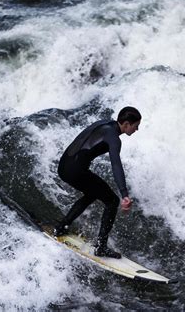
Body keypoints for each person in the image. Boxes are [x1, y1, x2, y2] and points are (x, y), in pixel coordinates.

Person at [54, 106, 142, 258]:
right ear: (126, 124)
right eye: (136, 126)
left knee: (92, 193)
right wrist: (124, 194)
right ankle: (101, 247)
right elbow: (116, 164)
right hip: (75, 171)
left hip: (64, 165)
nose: (137, 129)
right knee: (112, 201)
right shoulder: (114, 138)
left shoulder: (104, 123)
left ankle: (61, 227)